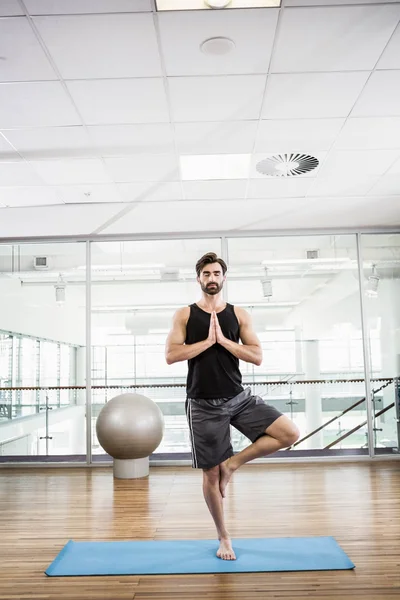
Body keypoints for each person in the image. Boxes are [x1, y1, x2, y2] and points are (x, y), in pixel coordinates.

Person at [165, 252, 300, 561]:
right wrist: (208, 342)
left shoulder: (239, 314)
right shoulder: (184, 315)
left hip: (239, 397)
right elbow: (171, 355)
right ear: (198, 279)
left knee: (288, 433)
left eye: (216, 273)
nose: (212, 278)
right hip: (202, 404)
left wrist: (225, 341)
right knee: (210, 476)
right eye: (206, 274)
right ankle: (224, 537)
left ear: (224, 278)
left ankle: (233, 464)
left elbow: (256, 356)